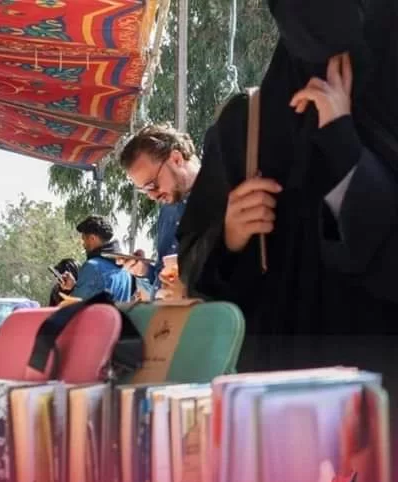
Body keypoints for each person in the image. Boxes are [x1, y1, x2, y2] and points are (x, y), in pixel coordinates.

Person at [177, 0, 398, 389]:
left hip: (380, 390)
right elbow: (195, 270)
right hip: (273, 391)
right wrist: (229, 236)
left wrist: (344, 147)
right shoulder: (245, 126)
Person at [120, 124, 200, 287]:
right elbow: (162, 275)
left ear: (176, 159)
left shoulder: (223, 196)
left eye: (152, 185)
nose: (152, 196)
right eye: (144, 190)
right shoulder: (167, 209)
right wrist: (144, 270)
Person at [58, 216, 133, 302]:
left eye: (84, 239)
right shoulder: (126, 270)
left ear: (92, 238)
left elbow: (74, 304)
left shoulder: (92, 267)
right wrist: (75, 286)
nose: (83, 245)